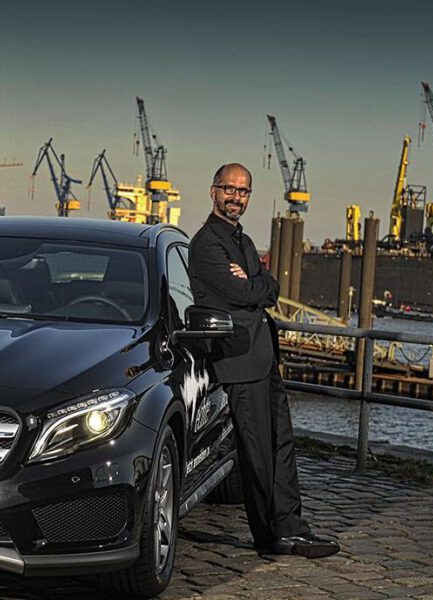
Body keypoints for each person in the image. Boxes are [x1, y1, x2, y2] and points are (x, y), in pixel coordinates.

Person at [187, 162, 339, 559]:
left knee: (280, 443)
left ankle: (292, 527)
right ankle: (270, 535)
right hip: (239, 360)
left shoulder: (242, 240)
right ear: (213, 191)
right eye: (229, 189)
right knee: (257, 452)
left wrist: (256, 283)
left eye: (243, 191)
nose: (236, 197)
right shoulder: (206, 244)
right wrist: (257, 284)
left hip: (262, 356)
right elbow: (241, 294)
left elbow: (269, 289)